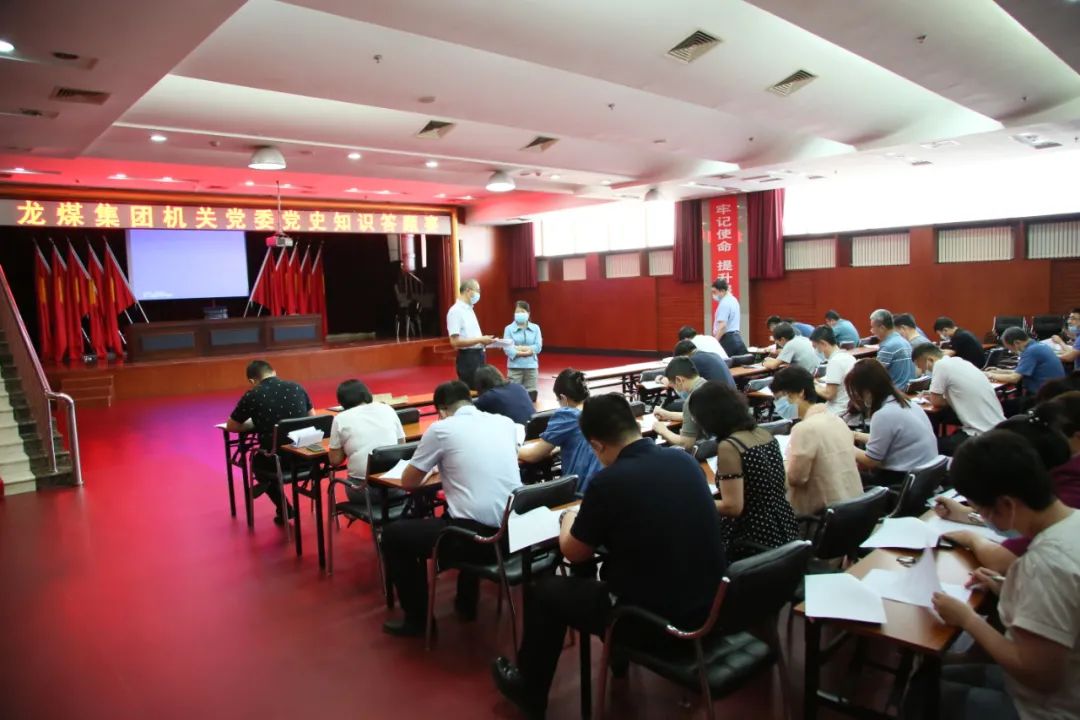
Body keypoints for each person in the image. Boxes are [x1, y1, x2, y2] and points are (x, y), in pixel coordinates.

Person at [491, 394, 726, 717]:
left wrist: (569, 519)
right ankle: (618, 659)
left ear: (596, 445)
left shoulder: (609, 482)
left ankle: (530, 691)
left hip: (656, 624)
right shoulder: (684, 461)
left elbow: (574, 553)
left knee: (546, 592)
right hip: (711, 609)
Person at [927, 430, 1080, 720]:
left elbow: (1041, 676)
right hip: (1058, 688)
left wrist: (968, 619)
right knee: (933, 675)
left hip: (1047, 709)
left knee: (923, 693)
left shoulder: (1047, 565)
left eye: (980, 509)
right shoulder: (1072, 523)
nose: (983, 518)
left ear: (1006, 505)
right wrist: (1007, 586)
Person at [381, 381, 522, 637]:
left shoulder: (441, 429)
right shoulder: (504, 422)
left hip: (479, 541)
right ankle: (465, 603)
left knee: (393, 535)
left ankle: (418, 621)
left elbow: (409, 482)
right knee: (463, 511)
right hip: (516, 533)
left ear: (442, 410)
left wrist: (434, 465)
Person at [934, 409, 1077, 575]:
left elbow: (1002, 560)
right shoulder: (1059, 506)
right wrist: (968, 514)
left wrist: (970, 538)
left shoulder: (1042, 561)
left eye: (980, 508)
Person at [688, 381, 799, 559]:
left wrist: (695, 501)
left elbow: (733, 507)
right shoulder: (764, 434)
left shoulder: (730, 446)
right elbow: (782, 485)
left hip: (752, 538)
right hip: (785, 527)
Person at [225, 360, 314, 524]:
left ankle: (283, 507)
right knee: (268, 457)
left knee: (257, 462)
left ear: (252, 380)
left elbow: (232, 426)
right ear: (274, 371)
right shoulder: (297, 387)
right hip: (306, 458)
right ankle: (276, 494)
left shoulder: (253, 395)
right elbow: (312, 418)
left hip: (278, 461)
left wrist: (254, 424)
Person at [770, 367, 862, 516]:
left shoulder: (804, 429)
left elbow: (796, 479)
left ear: (801, 393)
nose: (778, 403)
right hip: (854, 506)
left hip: (823, 516)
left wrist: (784, 462)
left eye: (781, 397)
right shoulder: (836, 420)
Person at [845, 359, 938, 487]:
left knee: (845, 477)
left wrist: (846, 446)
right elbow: (886, 439)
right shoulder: (906, 402)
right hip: (925, 475)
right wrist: (855, 435)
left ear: (866, 391)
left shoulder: (883, 414)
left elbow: (871, 460)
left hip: (902, 480)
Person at [517, 369, 603, 493]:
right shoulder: (599, 408)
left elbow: (533, 455)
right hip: (602, 482)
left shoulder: (568, 416)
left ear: (563, 398)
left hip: (581, 489)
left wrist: (512, 448)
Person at [913, 344, 1005, 455]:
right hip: (998, 427)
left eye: (923, 367)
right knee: (943, 416)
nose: (924, 371)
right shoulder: (960, 361)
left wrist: (940, 397)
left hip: (980, 434)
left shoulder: (940, 365)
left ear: (930, 360)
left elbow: (936, 402)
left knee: (930, 445)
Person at [327, 379, 406, 502]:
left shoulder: (340, 418)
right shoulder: (387, 408)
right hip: (396, 486)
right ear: (366, 393)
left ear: (341, 401)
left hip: (362, 491)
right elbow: (401, 444)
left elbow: (335, 460)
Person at [987, 327, 1066, 399]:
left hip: (1043, 397)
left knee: (1006, 406)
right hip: (1055, 393)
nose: (1011, 351)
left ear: (1016, 343)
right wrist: (999, 371)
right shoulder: (1038, 345)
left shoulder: (1030, 351)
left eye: (1010, 348)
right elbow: (1021, 372)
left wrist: (989, 375)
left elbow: (1014, 378)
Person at [447, 278, 495, 389]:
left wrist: (484, 341)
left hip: (479, 354)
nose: (479, 294)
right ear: (468, 290)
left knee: (482, 388)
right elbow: (455, 342)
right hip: (468, 358)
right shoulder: (456, 311)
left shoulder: (469, 309)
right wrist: (480, 339)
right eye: (477, 290)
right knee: (473, 389)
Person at [654, 356, 708, 450]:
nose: (674, 388)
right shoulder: (711, 385)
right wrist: (668, 415)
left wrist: (663, 430)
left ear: (679, 380)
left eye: (672, 385)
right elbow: (692, 416)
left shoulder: (691, 400)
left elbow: (686, 444)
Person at [810, 325, 856, 417]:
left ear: (823, 343)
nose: (816, 351)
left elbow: (829, 394)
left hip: (838, 411)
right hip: (850, 407)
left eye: (816, 347)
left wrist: (811, 385)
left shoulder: (834, 362)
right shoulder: (849, 357)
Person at [869, 308, 915, 390]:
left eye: (873, 328)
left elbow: (876, 375)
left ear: (882, 328)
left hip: (895, 391)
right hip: (909, 389)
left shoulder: (887, 347)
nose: (872, 331)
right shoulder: (904, 341)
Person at [503, 300, 542, 396]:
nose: (519, 314)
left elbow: (538, 346)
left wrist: (519, 348)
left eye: (522, 311)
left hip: (531, 367)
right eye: (517, 312)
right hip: (514, 368)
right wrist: (526, 351)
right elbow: (508, 348)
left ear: (528, 313)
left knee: (531, 396)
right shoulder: (508, 329)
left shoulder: (536, 328)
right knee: (513, 395)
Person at [711, 278, 747, 356]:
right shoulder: (733, 300)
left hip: (727, 340)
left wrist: (715, 341)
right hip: (737, 339)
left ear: (722, 291)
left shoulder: (724, 303)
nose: (713, 295)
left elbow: (723, 326)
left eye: (714, 292)